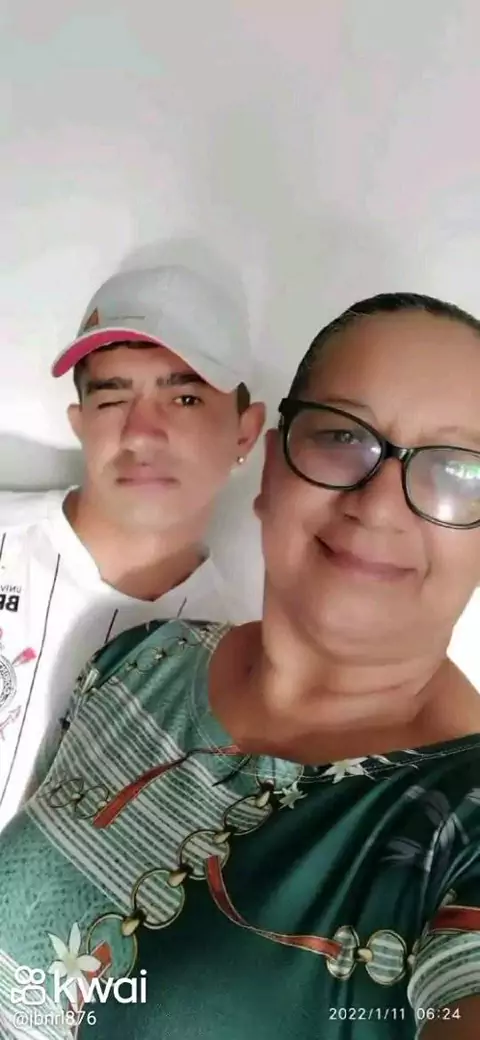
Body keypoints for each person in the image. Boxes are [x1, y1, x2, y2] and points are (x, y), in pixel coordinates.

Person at [1, 291, 480, 1040]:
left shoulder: (462, 821)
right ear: (271, 469)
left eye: (460, 469)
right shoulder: (141, 658)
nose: (381, 505)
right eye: (342, 436)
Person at [0, 264, 265, 830]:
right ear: (80, 423)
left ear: (245, 432)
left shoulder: (238, 679)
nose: (141, 432)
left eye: (185, 398)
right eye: (112, 399)